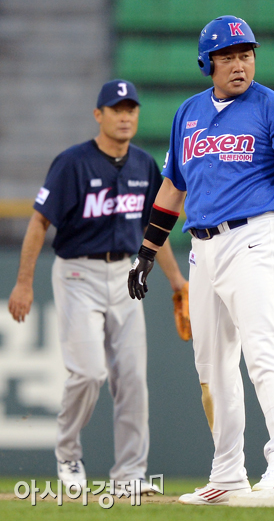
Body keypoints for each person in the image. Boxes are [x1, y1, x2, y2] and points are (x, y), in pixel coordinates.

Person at [127, 15, 274, 505]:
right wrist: (146, 252)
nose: (239, 63)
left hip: (253, 237)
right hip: (201, 248)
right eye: (227, 55)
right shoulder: (187, 112)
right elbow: (171, 188)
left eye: (246, 53)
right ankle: (227, 471)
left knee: (264, 350)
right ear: (207, 63)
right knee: (211, 364)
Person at [8, 79, 187, 495]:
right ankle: (68, 453)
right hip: (77, 274)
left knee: (132, 379)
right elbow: (39, 222)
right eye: (116, 108)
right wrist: (23, 283)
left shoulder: (144, 165)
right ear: (98, 115)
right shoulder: (72, 163)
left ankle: (130, 476)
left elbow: (152, 229)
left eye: (131, 109)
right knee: (88, 373)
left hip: (124, 274)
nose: (125, 116)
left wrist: (177, 280)